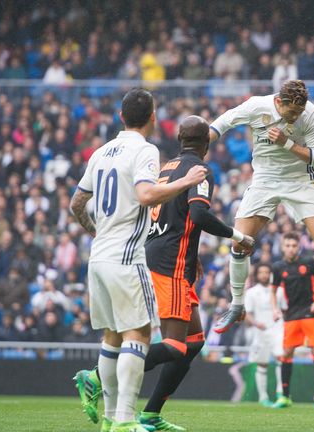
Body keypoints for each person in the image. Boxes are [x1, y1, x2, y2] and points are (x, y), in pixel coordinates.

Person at [74, 115, 252, 431]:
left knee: (195, 341)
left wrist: (192, 254)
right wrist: (238, 236)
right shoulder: (199, 171)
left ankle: (151, 413)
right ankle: (97, 378)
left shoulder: (167, 166)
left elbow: (175, 214)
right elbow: (198, 214)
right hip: (169, 265)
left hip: (171, 260)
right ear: (207, 144)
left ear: (180, 141)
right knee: (174, 346)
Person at [70, 90, 207, 432]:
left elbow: (76, 203)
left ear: (120, 116)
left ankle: (110, 420)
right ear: (152, 118)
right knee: (139, 334)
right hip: (127, 256)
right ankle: (126, 419)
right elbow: (146, 194)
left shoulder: (99, 152)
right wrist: (187, 182)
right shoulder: (145, 150)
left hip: (99, 256)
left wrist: (97, 231)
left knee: (112, 336)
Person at [208, 79, 314, 339]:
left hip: (300, 181)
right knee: (240, 242)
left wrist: (287, 143)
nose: (295, 118)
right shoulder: (256, 106)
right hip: (265, 181)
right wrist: (205, 140)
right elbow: (225, 121)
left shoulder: (310, 113)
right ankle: (236, 305)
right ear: (278, 103)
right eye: (291, 113)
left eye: (299, 113)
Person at [269, 232, 314, 410]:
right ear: (283, 247)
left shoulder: (310, 262)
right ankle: (285, 397)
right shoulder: (278, 267)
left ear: (298, 247)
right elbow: (273, 291)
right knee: (287, 353)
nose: (290, 249)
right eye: (287, 245)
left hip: (310, 313)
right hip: (291, 315)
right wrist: (274, 309)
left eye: (293, 246)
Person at [245, 263, 285, 407]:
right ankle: (263, 397)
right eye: (261, 272)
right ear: (257, 275)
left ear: (271, 274)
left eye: (266, 272)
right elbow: (247, 314)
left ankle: (281, 394)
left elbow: (285, 309)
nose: (264, 275)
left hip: (278, 329)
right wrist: (256, 323)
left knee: (281, 359)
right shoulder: (251, 292)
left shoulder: (279, 291)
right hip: (260, 332)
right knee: (262, 364)